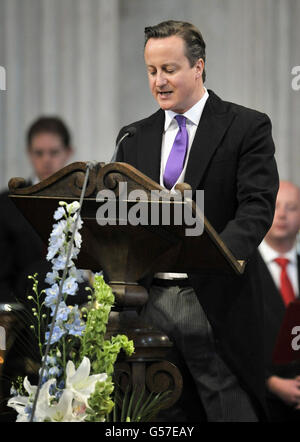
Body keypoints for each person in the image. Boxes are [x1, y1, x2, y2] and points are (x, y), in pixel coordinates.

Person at [115, 20, 279, 421]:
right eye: (152, 71)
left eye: (169, 69)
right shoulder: (132, 137)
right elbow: (121, 216)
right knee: (155, 419)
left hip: (215, 298)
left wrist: (215, 254)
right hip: (148, 302)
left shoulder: (246, 126)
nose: (159, 82)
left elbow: (256, 207)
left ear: (198, 67)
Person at [0, 116, 73, 303]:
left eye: (54, 152)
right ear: (29, 154)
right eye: (39, 153)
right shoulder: (8, 204)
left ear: (68, 152)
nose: (46, 160)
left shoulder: (83, 201)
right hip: (22, 308)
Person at [258, 180, 300, 421]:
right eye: (277, 206)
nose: (283, 214)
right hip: (259, 404)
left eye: (292, 207)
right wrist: (270, 382)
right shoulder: (242, 272)